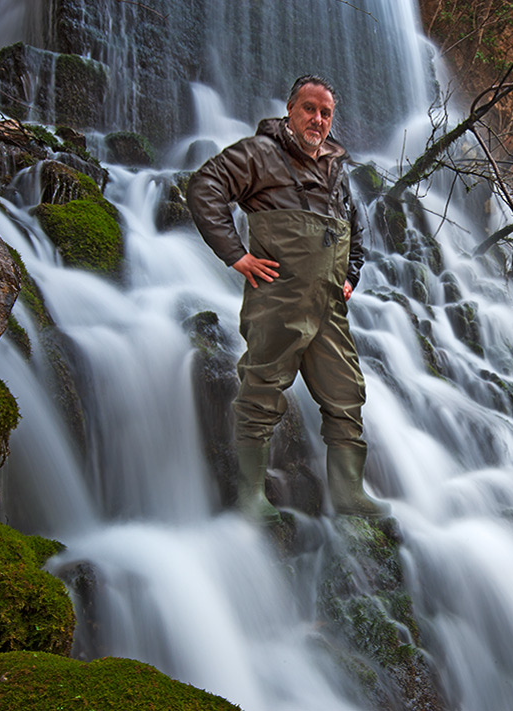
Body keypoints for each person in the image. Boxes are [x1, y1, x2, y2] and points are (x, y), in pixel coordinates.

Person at [187, 75, 389, 524]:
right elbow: (205, 187)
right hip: (278, 298)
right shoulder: (259, 154)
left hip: (329, 305)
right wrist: (236, 256)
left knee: (346, 395)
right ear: (290, 110)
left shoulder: (336, 167)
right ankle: (250, 496)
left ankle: (349, 494)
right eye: (309, 109)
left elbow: (355, 227)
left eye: (326, 113)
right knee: (260, 393)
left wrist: (351, 275)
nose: (317, 119)